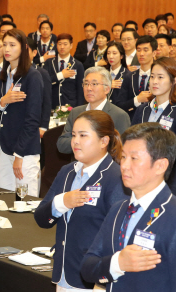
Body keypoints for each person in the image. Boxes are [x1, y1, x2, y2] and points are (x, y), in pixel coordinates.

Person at [81, 123, 176, 292]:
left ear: (160, 165)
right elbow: (87, 268)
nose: (124, 165)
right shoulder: (118, 210)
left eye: (134, 158)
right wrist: (117, 263)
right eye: (123, 157)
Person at [35, 110, 128, 291]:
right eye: (74, 135)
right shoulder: (67, 172)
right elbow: (40, 218)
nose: (75, 141)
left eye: (83, 135)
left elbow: (118, 237)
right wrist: (61, 202)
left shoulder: (116, 178)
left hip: (92, 282)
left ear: (104, 141)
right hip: (63, 274)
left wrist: (102, 281)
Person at [132, 57, 176, 200]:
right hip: (141, 184)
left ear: (174, 81)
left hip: (168, 187)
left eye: (160, 77)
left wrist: (171, 192)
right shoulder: (142, 110)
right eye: (152, 76)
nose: (154, 81)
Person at [0, 29, 42, 198]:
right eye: (4, 45)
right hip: (3, 147)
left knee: (25, 201)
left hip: (24, 151)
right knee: (3, 200)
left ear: (24, 48)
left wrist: (19, 154)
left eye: (12, 45)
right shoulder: (3, 76)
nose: (6, 49)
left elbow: (33, 119)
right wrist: (3, 101)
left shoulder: (33, 76)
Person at [57, 67, 130, 154]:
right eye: (86, 84)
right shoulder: (76, 112)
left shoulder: (119, 115)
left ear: (107, 89)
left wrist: (84, 141)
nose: (89, 88)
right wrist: (86, 140)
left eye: (94, 84)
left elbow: (121, 149)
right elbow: (62, 145)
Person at [114, 36, 156, 120]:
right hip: (133, 121)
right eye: (139, 50)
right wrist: (137, 100)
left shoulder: (159, 76)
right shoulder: (129, 76)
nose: (141, 54)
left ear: (154, 53)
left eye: (145, 50)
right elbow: (119, 105)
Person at [45, 33, 85, 108]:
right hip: (52, 105)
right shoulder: (49, 62)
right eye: (59, 44)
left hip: (70, 105)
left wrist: (79, 108)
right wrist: (61, 75)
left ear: (71, 46)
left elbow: (80, 89)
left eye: (65, 44)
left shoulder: (78, 65)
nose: (62, 47)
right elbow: (45, 82)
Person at [26, 38, 52, 138]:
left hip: (36, 124)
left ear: (34, 52)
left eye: (26, 51)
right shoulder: (14, 73)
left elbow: (47, 101)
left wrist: (44, 126)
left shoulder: (42, 73)